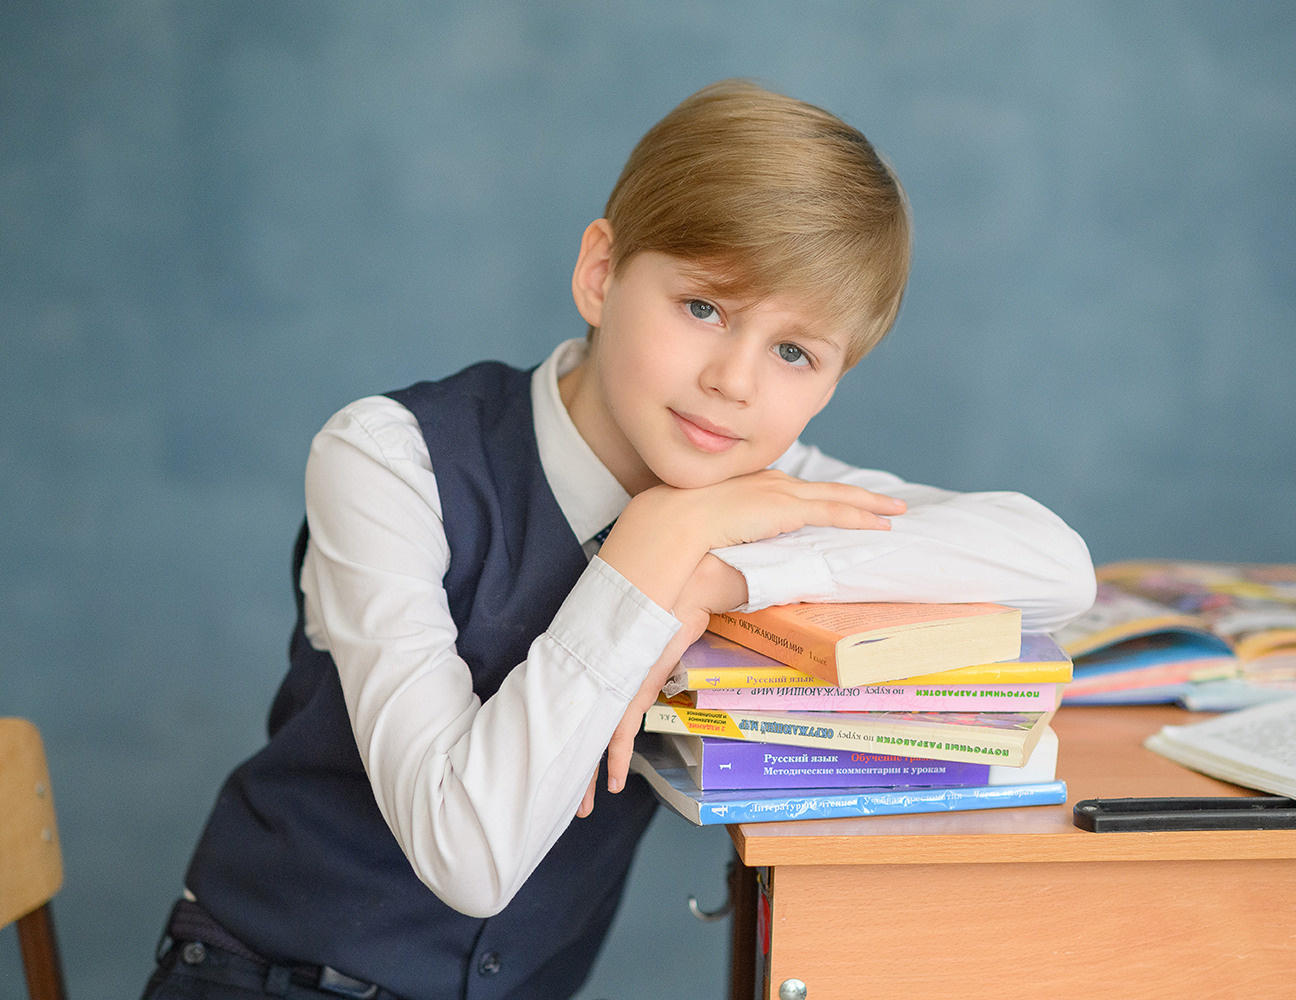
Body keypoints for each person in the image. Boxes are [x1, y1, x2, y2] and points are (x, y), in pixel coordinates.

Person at [140, 79, 1094, 1000]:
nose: (734, 380)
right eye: (704, 308)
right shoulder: (393, 461)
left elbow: (1055, 565)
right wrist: (651, 552)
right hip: (273, 977)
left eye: (794, 352)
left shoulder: (760, 491)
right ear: (602, 274)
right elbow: (466, 855)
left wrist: (721, 571)